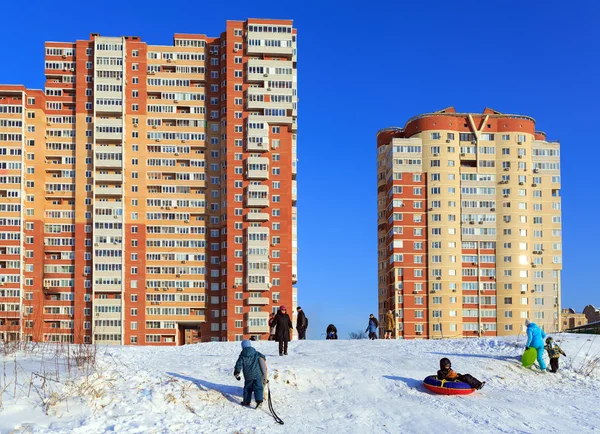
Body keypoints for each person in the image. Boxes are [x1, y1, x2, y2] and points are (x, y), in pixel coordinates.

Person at [233, 340, 268, 408]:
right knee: (258, 388)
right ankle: (259, 401)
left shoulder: (242, 355)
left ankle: (246, 401)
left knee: (247, 389)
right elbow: (263, 357)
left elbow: (238, 365)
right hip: (257, 374)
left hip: (248, 376)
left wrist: (236, 372)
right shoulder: (256, 353)